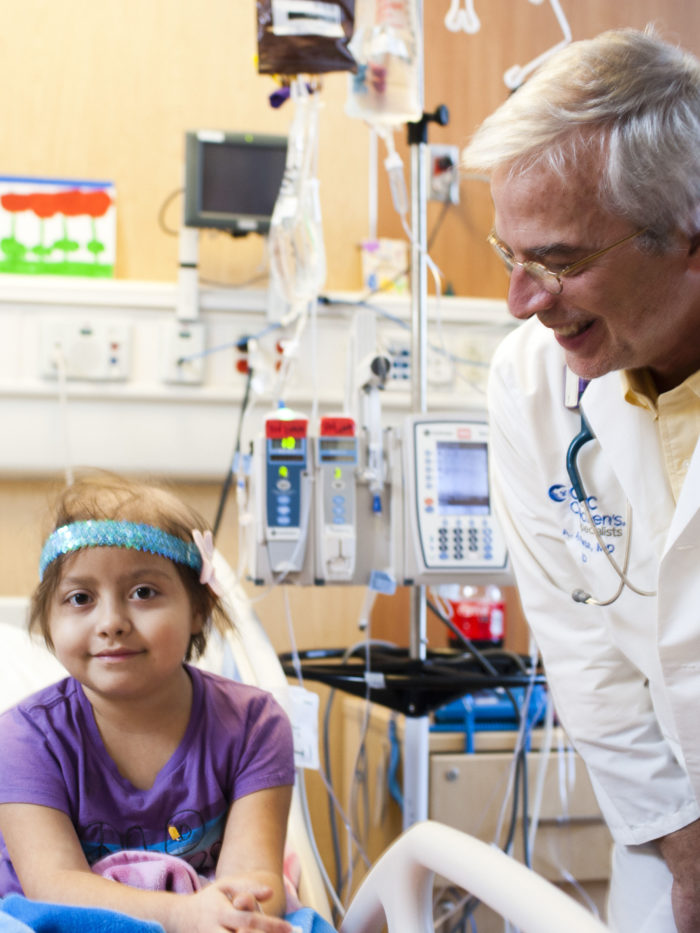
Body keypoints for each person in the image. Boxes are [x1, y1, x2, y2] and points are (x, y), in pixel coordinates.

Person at [461, 26, 700, 933]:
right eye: (507, 255)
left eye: (558, 262)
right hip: (669, 824)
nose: (521, 300)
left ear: (690, 237)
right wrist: (682, 842)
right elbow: (580, 641)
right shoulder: (530, 383)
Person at [0, 473, 296, 933]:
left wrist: (233, 913)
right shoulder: (24, 739)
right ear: (48, 622)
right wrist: (180, 917)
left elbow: (255, 876)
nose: (112, 622)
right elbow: (53, 886)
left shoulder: (254, 725)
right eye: (80, 598)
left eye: (144, 592)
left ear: (198, 610)